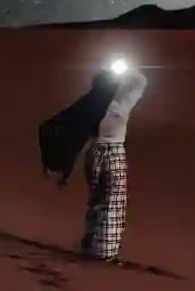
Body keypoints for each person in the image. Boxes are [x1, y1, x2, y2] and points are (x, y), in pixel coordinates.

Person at [38, 57, 148, 263]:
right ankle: (104, 252)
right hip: (113, 153)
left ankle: (90, 244)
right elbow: (140, 81)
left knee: (96, 201)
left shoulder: (89, 105)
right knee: (113, 203)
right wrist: (129, 68)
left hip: (93, 155)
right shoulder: (117, 106)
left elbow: (53, 126)